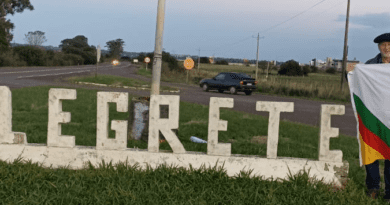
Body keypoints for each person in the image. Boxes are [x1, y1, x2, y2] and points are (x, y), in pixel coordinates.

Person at [347, 33, 390, 201]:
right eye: (383, 45)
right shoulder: (371, 65)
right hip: (373, 114)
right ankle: (373, 188)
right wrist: (350, 72)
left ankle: (389, 192)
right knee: (371, 149)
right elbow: (356, 82)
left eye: (389, 44)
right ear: (378, 47)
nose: (386, 48)